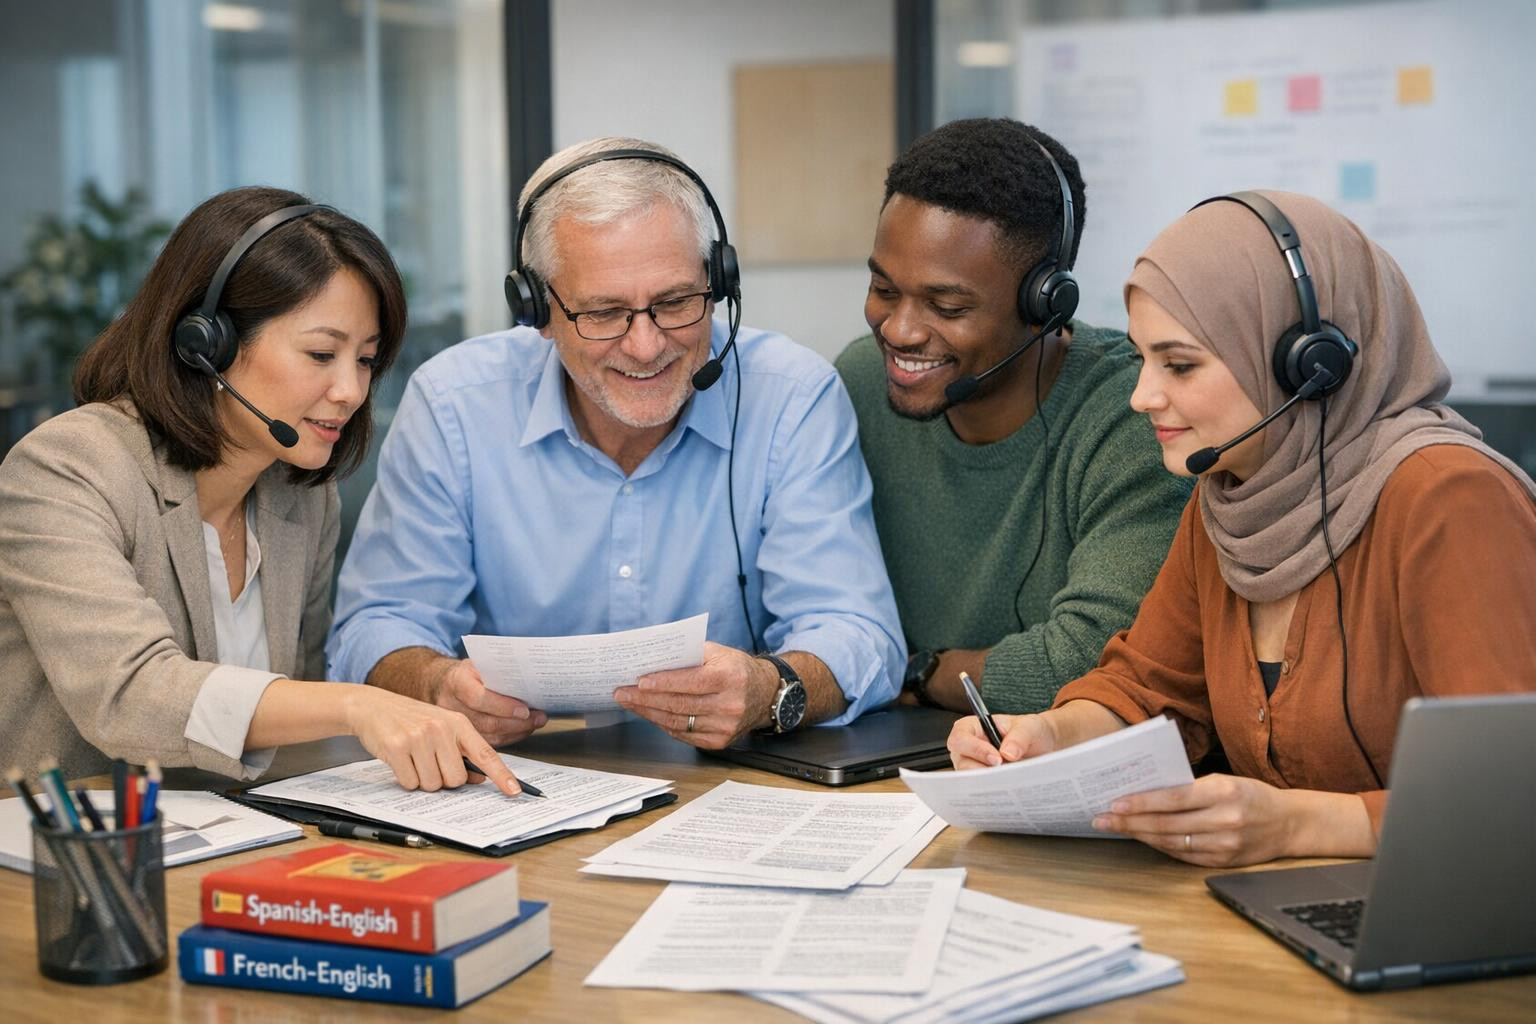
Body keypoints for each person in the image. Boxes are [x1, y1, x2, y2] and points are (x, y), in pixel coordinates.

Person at [948, 190, 1536, 866]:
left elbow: (1511, 791)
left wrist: (1295, 825)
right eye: (1142, 359)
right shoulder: (1226, 496)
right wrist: (1049, 738)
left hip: (1445, 923)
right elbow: (1150, 688)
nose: (1143, 396)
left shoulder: (1449, 498)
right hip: (1280, 914)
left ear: (1309, 366)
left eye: (1181, 364)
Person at [328, 137, 904, 750]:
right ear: (536, 311)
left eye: (676, 302)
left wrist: (771, 687)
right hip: (515, 792)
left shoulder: (791, 396)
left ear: (718, 282)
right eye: (604, 313)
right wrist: (438, 683)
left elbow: (859, 635)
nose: (647, 345)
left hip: (729, 787)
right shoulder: (453, 405)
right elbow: (376, 627)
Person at [0, 186, 524, 795]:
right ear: (207, 343)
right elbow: (130, 695)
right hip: (75, 859)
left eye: (365, 361)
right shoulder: (67, 468)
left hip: (238, 842)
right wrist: (356, 705)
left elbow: (283, 727)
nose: (351, 391)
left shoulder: (299, 498)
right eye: (322, 353)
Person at [836, 118, 1191, 715]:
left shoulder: (1136, 417)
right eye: (884, 288)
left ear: (1045, 304)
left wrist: (921, 670)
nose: (899, 330)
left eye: (946, 306)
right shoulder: (859, 384)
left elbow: (1097, 660)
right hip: (883, 763)